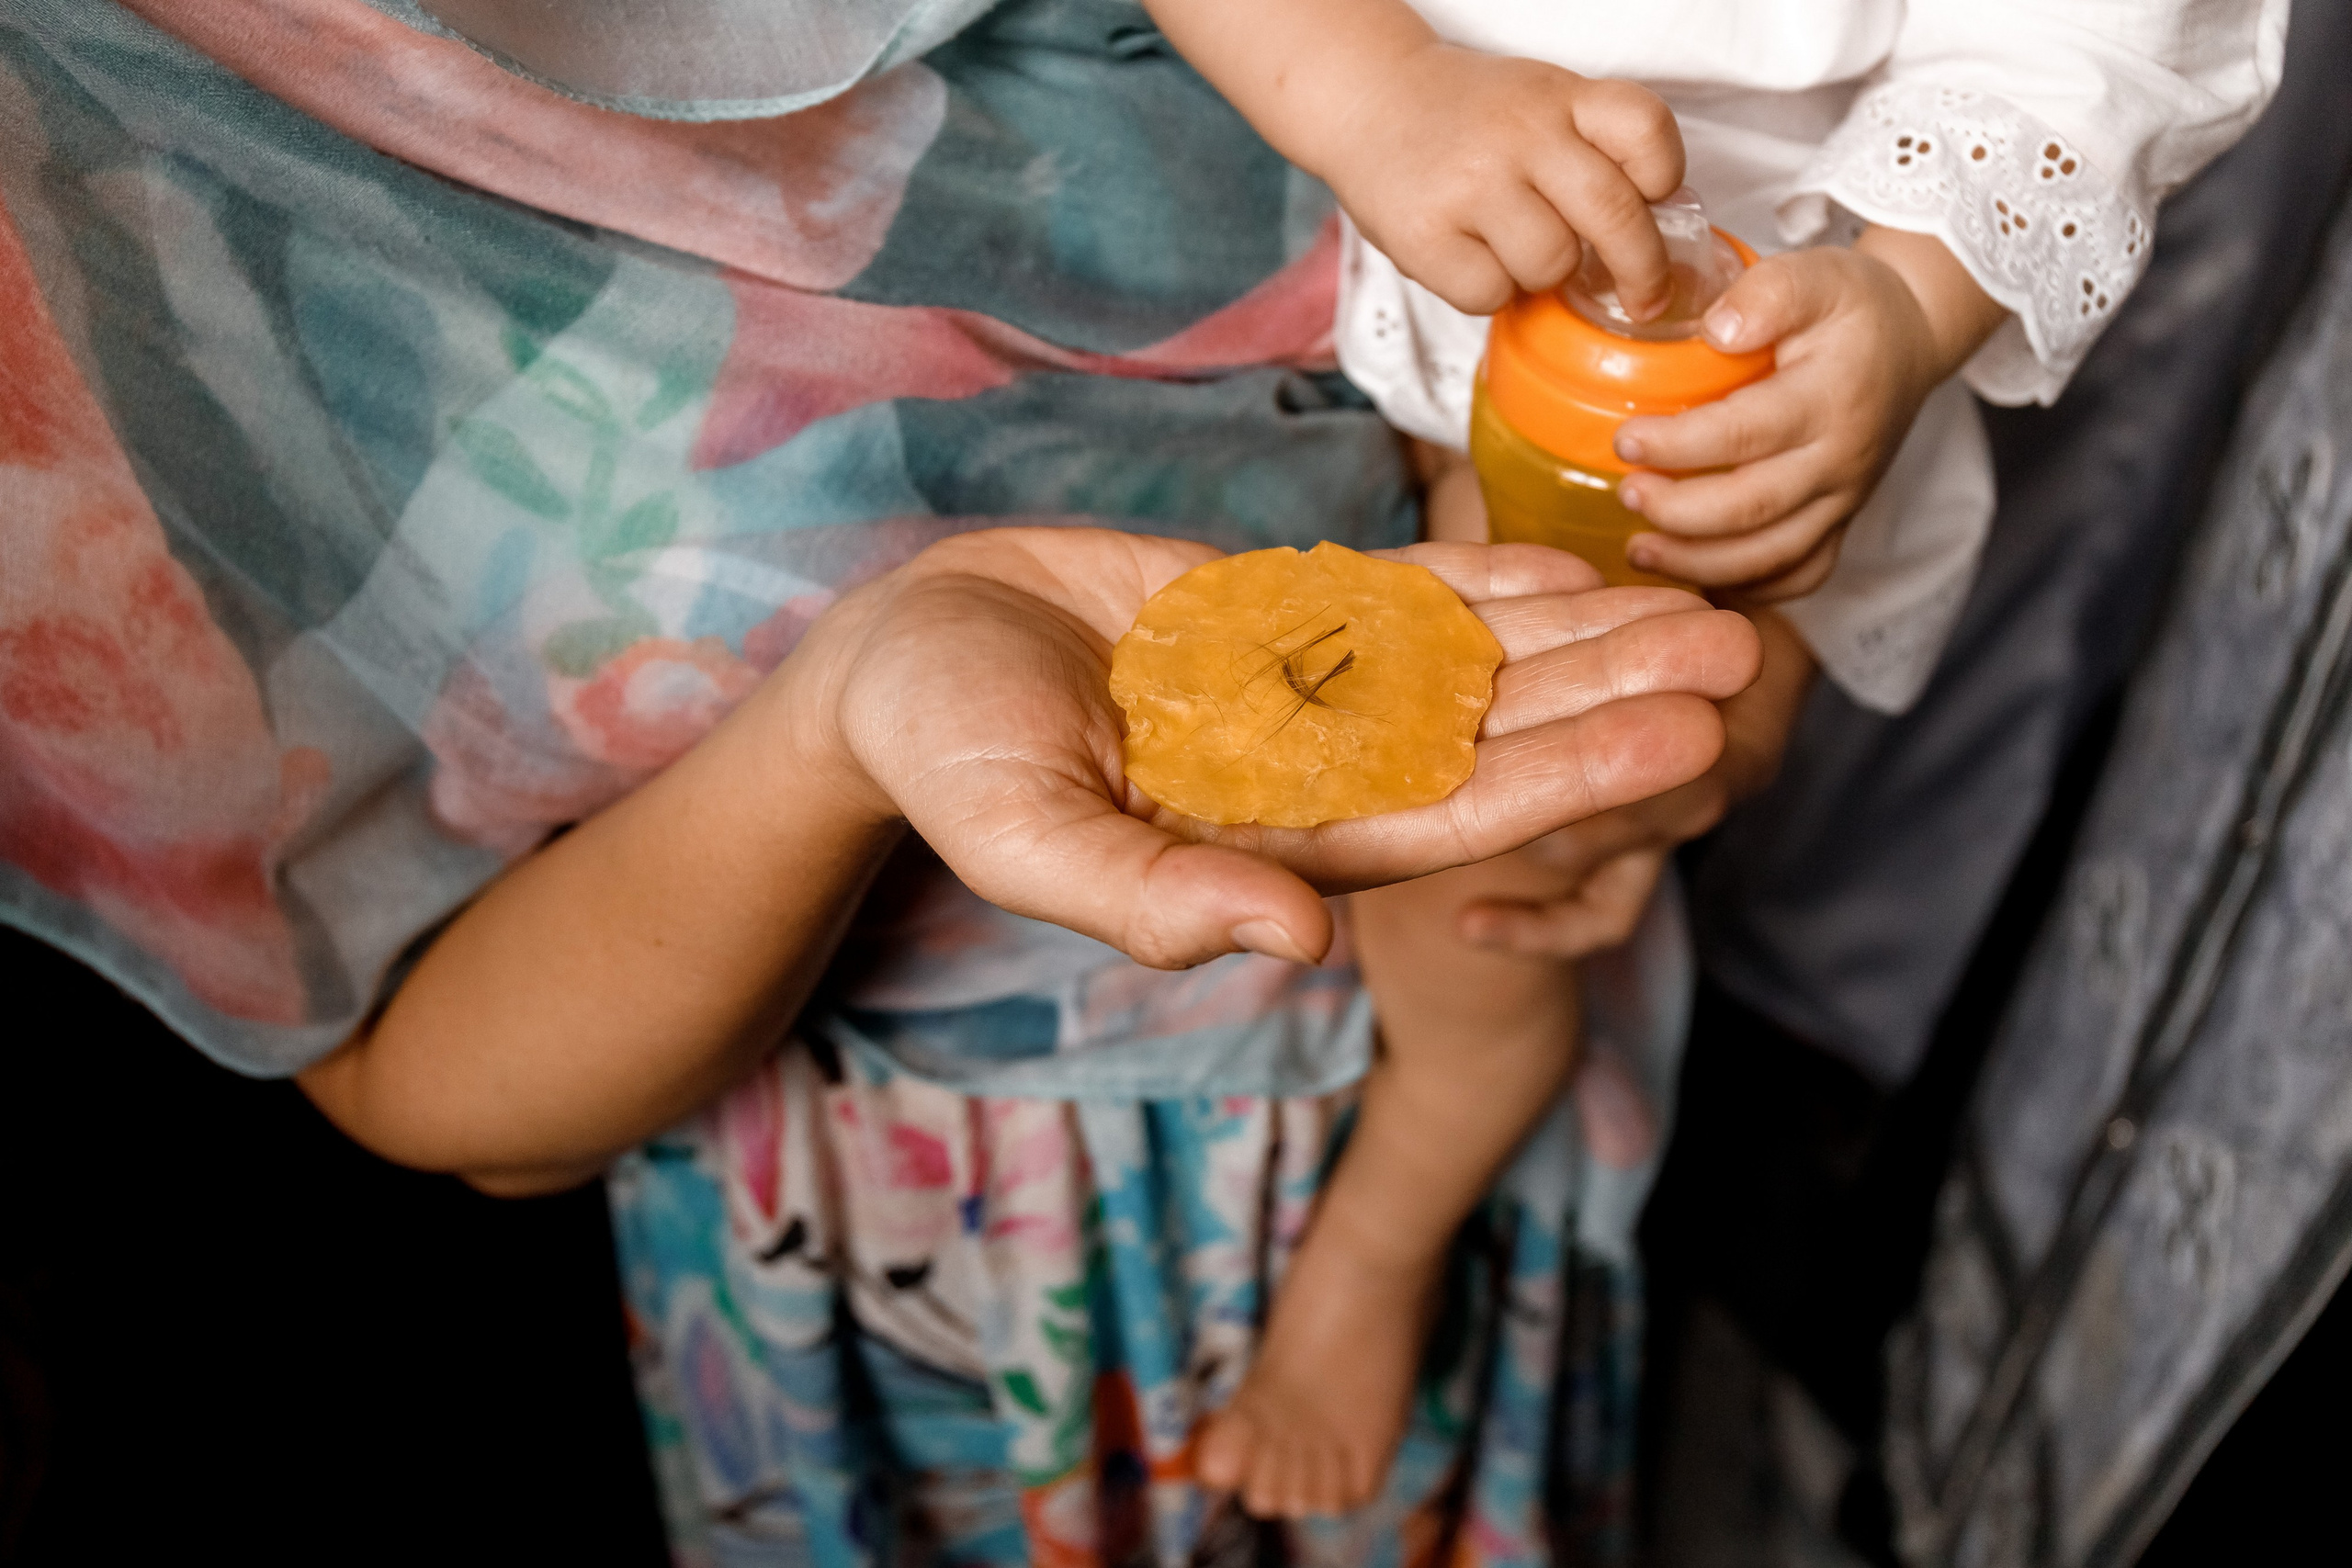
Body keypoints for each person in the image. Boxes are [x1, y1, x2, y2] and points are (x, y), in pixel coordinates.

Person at [0, 2, 1754, 1561]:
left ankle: (1390, 1241)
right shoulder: (73, 239)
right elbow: (410, 1068)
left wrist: (1749, 593)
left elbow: (1682, 229)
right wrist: (841, 720)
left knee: (1496, 942)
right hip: (902, 1217)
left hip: (1452, 944)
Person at [1136, 0, 2288, 1517]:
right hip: (1402, 234)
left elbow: (2101, 35)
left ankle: (1405, 1196)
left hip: (1753, 382)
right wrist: (1375, 81)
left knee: (1484, 816)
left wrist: (1910, 306)